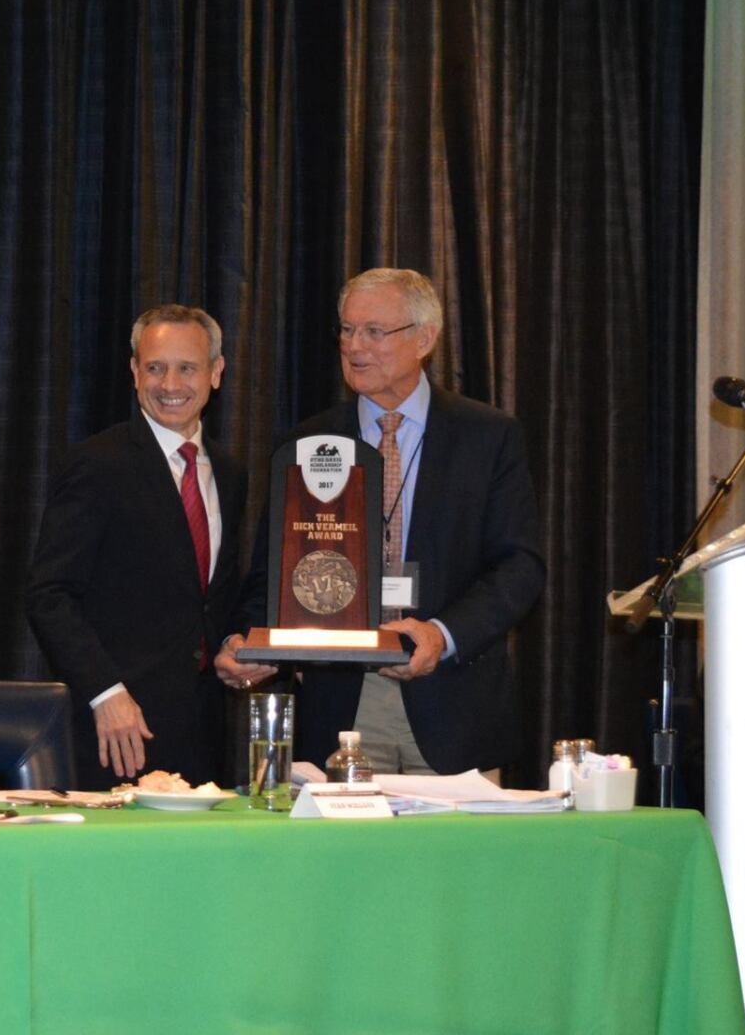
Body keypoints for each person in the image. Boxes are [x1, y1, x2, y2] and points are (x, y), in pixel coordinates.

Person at [219, 268, 545, 776]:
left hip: (452, 703)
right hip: (342, 704)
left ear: (425, 338)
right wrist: (243, 640)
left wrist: (441, 634)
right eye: (347, 330)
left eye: (373, 331)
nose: (354, 346)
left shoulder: (488, 436)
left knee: (452, 859)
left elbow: (519, 567)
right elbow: (272, 571)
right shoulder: (310, 441)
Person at [26, 305, 247, 788]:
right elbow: (50, 595)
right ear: (134, 371)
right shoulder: (98, 465)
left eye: (187, 367)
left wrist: (236, 644)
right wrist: (106, 693)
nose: (170, 383)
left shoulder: (231, 474)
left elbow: (213, 598)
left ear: (216, 372)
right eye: (155, 367)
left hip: (203, 737)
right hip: (119, 733)